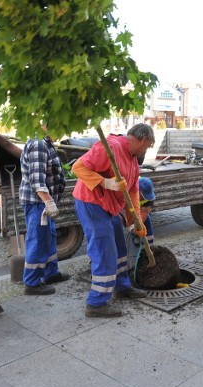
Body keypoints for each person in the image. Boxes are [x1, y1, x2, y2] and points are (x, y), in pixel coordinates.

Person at [72, 124, 154, 317]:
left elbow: (132, 191)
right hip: (92, 202)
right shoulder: (111, 147)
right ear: (143, 140)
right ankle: (96, 303)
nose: (146, 150)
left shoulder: (133, 160)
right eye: (148, 146)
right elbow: (78, 167)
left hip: (109, 206)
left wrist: (134, 222)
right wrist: (105, 182)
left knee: (119, 247)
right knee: (104, 250)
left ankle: (122, 286)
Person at [19, 135, 70, 295]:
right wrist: (48, 202)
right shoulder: (39, 144)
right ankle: (32, 283)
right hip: (37, 202)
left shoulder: (45, 142)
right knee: (38, 239)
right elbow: (37, 181)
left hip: (41, 202)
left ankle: (50, 274)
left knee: (49, 236)